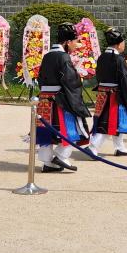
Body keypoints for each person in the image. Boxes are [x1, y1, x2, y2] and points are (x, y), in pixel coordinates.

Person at [35, 23, 91, 172]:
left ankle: (47, 162)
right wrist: (79, 80)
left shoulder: (47, 56)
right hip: (60, 99)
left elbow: (40, 78)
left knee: (45, 131)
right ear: (67, 42)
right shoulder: (64, 57)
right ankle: (61, 155)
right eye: (74, 42)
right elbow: (70, 81)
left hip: (44, 98)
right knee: (73, 129)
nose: (75, 45)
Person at [89, 29, 127, 158]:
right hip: (115, 96)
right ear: (118, 44)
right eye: (123, 42)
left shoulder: (102, 57)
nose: (124, 45)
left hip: (103, 93)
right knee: (110, 122)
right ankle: (93, 147)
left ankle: (120, 147)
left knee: (117, 121)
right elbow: (126, 79)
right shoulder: (118, 59)